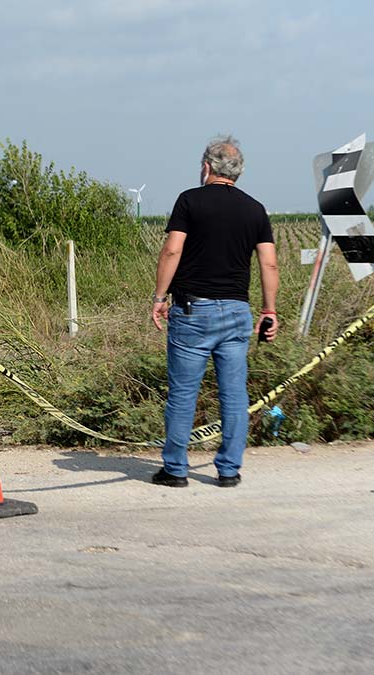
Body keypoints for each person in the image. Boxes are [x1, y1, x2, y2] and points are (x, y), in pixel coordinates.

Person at [150, 136, 279, 488]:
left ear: (206, 167)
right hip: (237, 311)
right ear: (238, 172)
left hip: (194, 311)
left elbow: (172, 251)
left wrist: (159, 297)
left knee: (183, 394)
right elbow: (269, 263)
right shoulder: (255, 209)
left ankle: (175, 469)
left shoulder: (189, 200)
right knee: (234, 395)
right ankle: (229, 470)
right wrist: (269, 309)